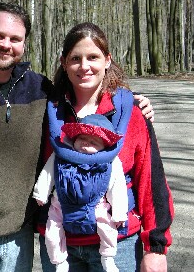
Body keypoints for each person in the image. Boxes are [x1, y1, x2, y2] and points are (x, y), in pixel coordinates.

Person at [0, 2, 155, 272]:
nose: (6, 44)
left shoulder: (40, 90)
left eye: (15, 39)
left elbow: (83, 100)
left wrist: (131, 103)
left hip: (18, 240)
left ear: (23, 45)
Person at [36, 22, 174, 272]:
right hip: (60, 244)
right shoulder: (48, 113)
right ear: (63, 62)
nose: (84, 66)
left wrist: (156, 247)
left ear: (107, 60)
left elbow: (151, 182)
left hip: (117, 244)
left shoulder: (130, 113)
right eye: (75, 58)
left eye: (93, 57)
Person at [33, 114, 129, 272]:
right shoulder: (61, 154)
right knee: (52, 232)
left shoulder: (110, 162)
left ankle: (108, 256)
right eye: (83, 138)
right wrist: (41, 193)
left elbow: (117, 186)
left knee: (107, 227)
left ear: (104, 147)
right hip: (60, 204)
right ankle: (59, 261)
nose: (86, 143)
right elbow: (48, 173)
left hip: (96, 205)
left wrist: (119, 213)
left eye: (93, 142)